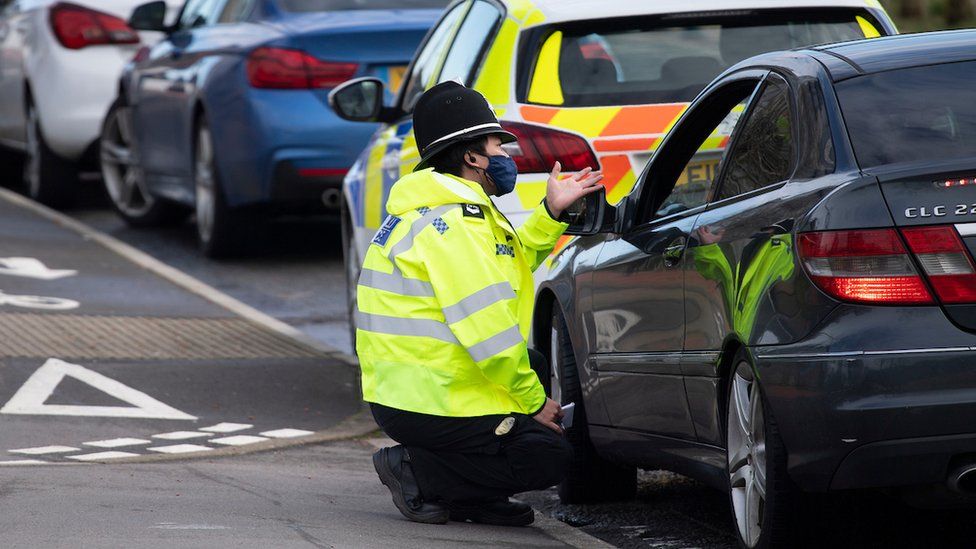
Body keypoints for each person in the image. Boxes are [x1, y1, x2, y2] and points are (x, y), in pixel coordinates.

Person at [356, 81, 604, 526]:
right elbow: (487, 329)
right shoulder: (456, 224)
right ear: (471, 157)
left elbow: (508, 264)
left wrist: (551, 212)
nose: (507, 157)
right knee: (547, 454)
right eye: (497, 146)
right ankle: (415, 470)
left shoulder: (443, 210)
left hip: (416, 386)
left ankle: (471, 497)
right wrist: (532, 402)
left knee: (527, 363)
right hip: (427, 397)